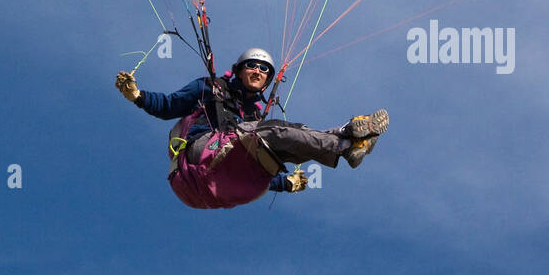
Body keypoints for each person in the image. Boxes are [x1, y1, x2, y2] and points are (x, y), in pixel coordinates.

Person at [115, 47, 388, 210]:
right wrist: (137, 96)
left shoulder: (255, 113)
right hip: (199, 161)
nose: (258, 71)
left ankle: (350, 141)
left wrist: (286, 184)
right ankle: (344, 139)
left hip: (223, 183)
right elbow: (168, 106)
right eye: (252, 66)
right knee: (272, 132)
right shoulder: (211, 87)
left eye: (265, 69)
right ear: (239, 69)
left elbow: (246, 168)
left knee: (276, 143)